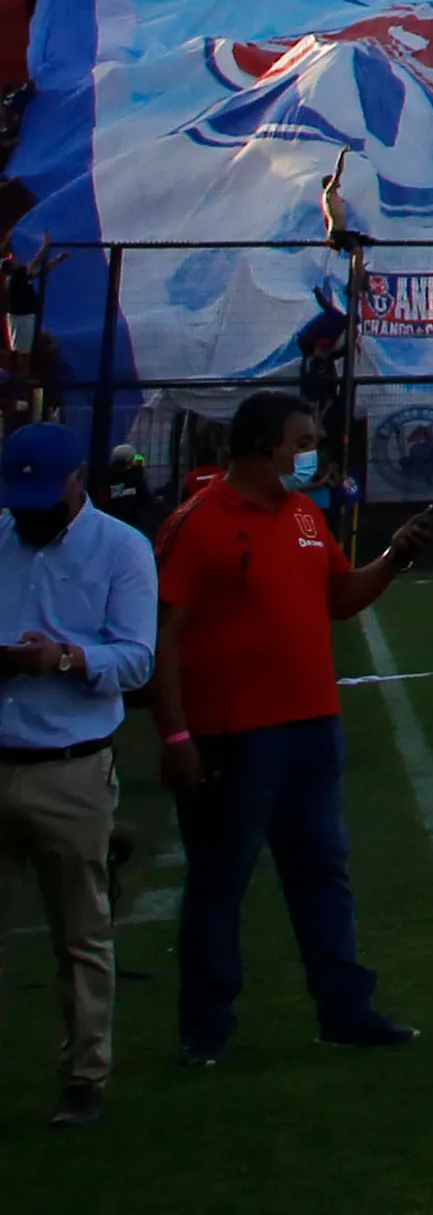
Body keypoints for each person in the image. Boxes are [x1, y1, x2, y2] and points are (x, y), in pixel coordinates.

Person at [151, 392, 433, 1065]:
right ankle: (206, 1027)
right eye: (303, 440)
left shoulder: (306, 514)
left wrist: (395, 557)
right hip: (235, 735)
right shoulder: (198, 525)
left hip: (312, 726)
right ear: (260, 449)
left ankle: (345, 1010)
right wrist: (175, 736)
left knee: (322, 873)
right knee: (222, 882)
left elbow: (338, 599)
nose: (315, 453)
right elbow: (161, 637)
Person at [1, 422, 156, 1128]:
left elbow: (136, 659)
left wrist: (64, 659)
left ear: (76, 481)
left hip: (70, 764)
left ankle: (85, 1074)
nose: (28, 510)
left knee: (80, 932)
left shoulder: (122, 549)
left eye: (41, 494)